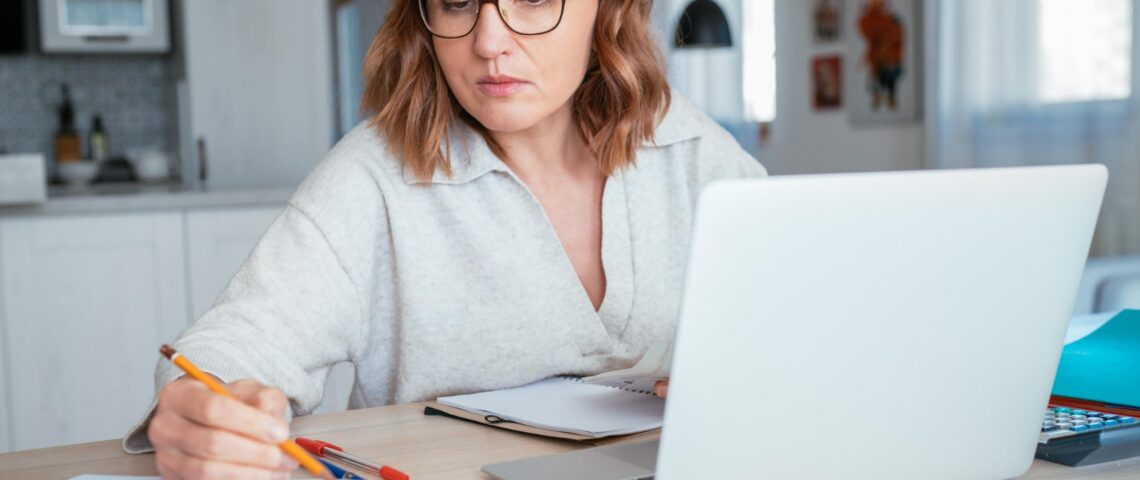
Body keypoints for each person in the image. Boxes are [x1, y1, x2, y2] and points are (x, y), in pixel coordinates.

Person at [127, 0, 766, 478]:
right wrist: (198, 406)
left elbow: (802, 307)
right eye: (457, 0)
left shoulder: (687, 144)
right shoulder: (374, 177)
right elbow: (232, 345)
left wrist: (746, 366)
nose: (489, 41)